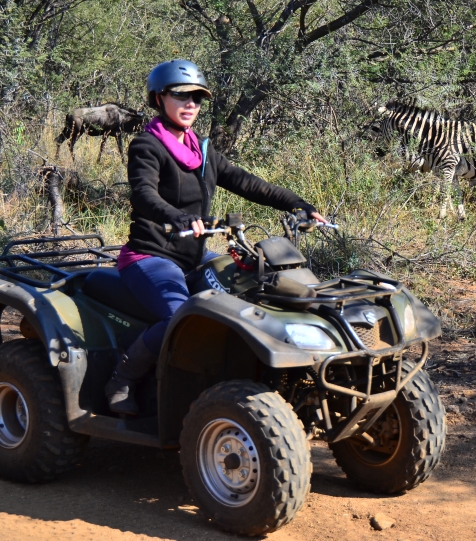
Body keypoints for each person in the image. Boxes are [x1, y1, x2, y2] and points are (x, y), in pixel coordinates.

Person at [105, 60, 325, 415]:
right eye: (181, 94)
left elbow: (247, 183)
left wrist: (297, 203)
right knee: (179, 318)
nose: (190, 103)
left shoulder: (202, 151)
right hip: (151, 257)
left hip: (193, 256)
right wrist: (179, 217)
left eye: (197, 97)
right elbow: (144, 194)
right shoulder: (147, 146)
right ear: (159, 99)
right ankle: (122, 378)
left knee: (252, 291)